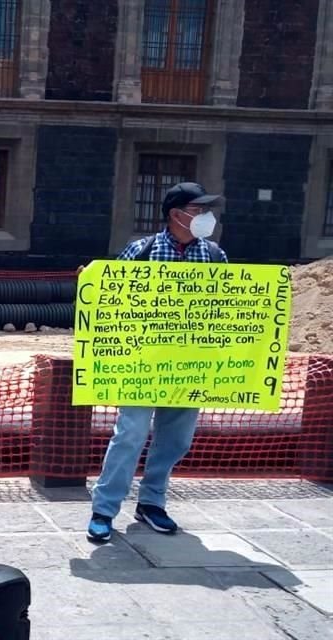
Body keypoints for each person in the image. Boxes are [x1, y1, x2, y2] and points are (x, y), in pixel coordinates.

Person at [86, 182, 227, 543]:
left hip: (189, 365)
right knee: (130, 434)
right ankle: (104, 509)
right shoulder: (141, 250)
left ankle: (151, 503)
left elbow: (227, 309)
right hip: (141, 365)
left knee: (176, 439)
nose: (206, 218)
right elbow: (108, 301)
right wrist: (91, 283)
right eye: (199, 210)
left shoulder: (214, 256)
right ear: (176, 214)